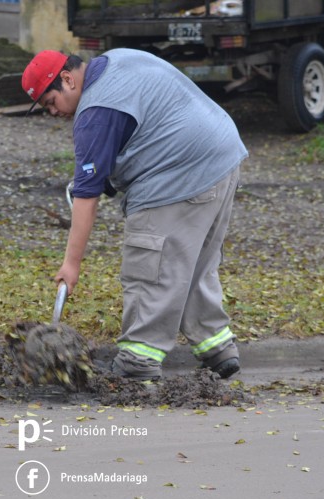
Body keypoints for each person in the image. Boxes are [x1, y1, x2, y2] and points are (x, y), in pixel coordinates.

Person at [21, 48, 248, 380]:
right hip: (222, 156)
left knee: (150, 267)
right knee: (194, 264)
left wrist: (71, 265)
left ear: (67, 79)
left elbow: (86, 196)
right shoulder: (118, 60)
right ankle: (217, 347)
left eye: (50, 102)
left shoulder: (95, 111)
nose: (52, 112)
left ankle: (138, 360)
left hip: (179, 173)